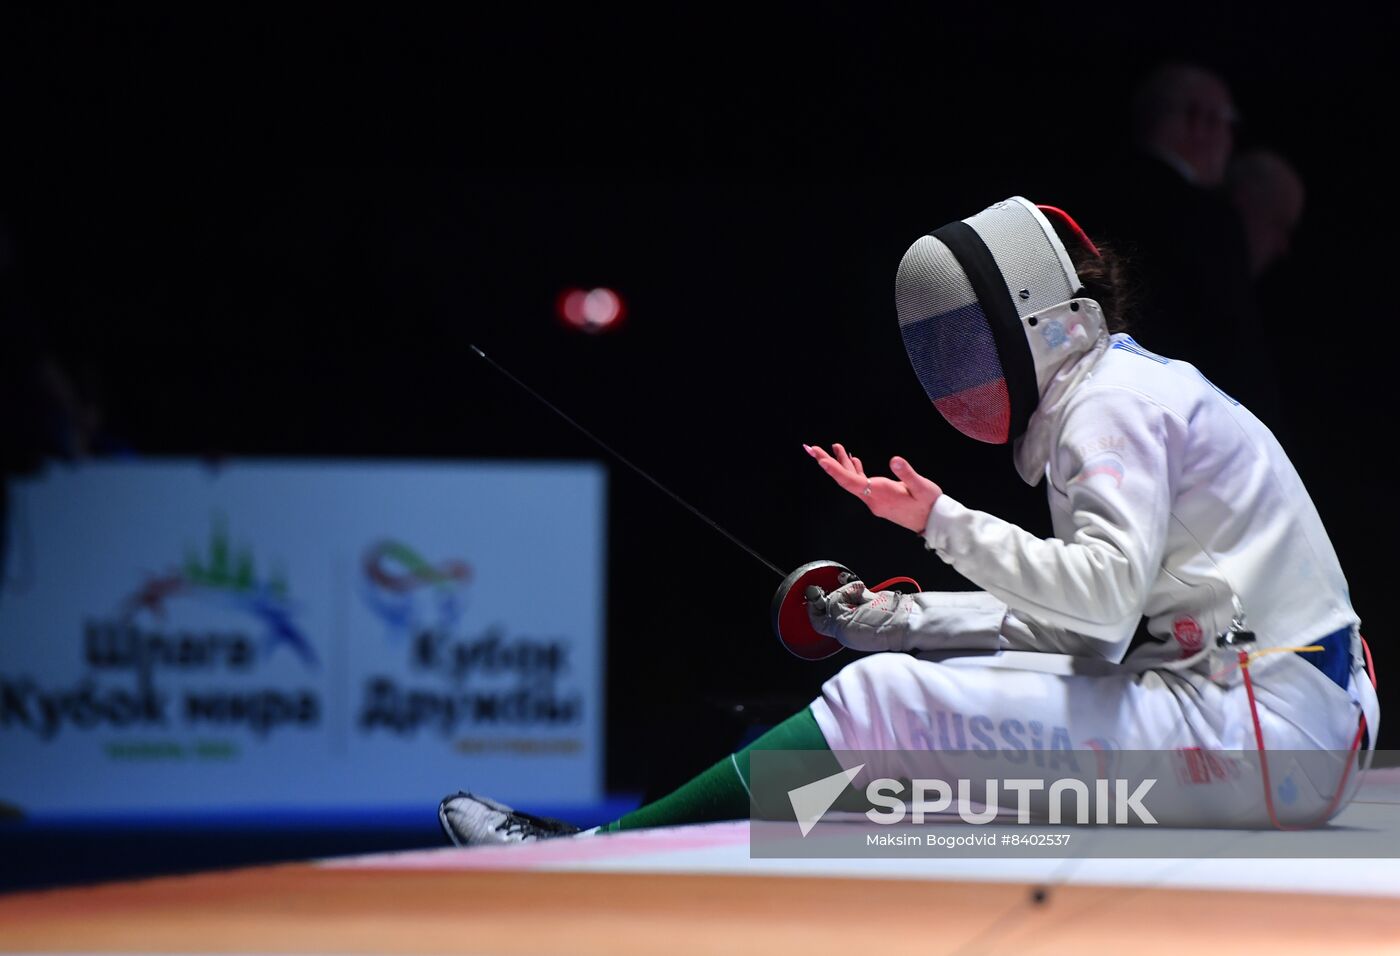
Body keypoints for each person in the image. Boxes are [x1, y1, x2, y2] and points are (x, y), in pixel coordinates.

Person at [440, 196, 1377, 844]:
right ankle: (706, 838)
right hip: (1284, 720)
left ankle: (597, 850)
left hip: (1267, 734)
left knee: (889, 704)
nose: (952, 363)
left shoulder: (1110, 410)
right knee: (911, 708)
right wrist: (905, 618)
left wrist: (942, 522)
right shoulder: (1117, 393)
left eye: (962, 335)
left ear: (1030, 321)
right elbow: (1093, 626)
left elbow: (1094, 616)